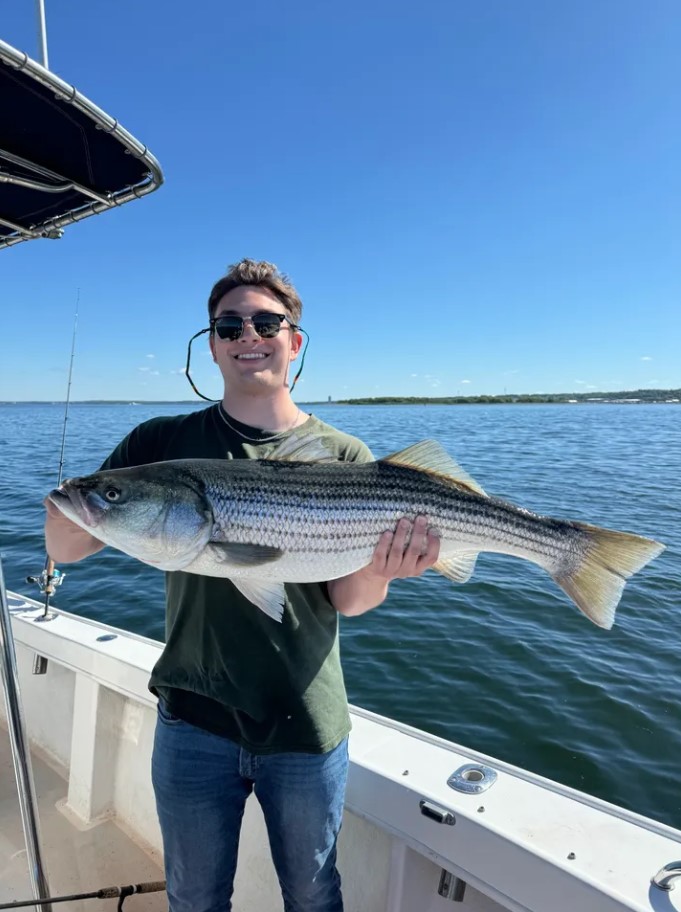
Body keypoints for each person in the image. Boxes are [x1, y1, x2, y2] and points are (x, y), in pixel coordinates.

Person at [44, 258, 440, 912]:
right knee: (194, 898)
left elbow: (350, 601)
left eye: (266, 323)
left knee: (313, 895)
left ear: (294, 340)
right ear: (212, 344)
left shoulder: (344, 454)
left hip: (305, 722)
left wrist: (380, 567)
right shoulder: (162, 440)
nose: (247, 336)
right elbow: (67, 548)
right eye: (229, 326)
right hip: (193, 717)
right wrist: (71, 503)